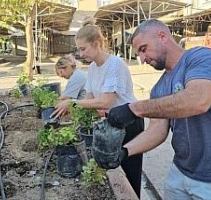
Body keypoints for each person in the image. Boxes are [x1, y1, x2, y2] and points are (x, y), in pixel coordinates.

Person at [107, 19, 211, 199]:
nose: (141, 58)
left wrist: (134, 109)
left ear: (162, 36)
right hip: (179, 174)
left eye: (143, 49)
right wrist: (124, 152)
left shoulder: (202, 57)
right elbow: (157, 130)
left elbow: (198, 100)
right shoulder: (159, 88)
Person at [52, 17, 144, 198]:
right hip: (111, 123)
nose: (80, 54)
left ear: (96, 44)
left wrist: (72, 103)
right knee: (113, 168)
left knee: (129, 173)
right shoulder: (93, 68)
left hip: (129, 124)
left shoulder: (114, 65)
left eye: (83, 49)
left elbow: (105, 101)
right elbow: (90, 98)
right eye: (78, 49)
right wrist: (75, 114)